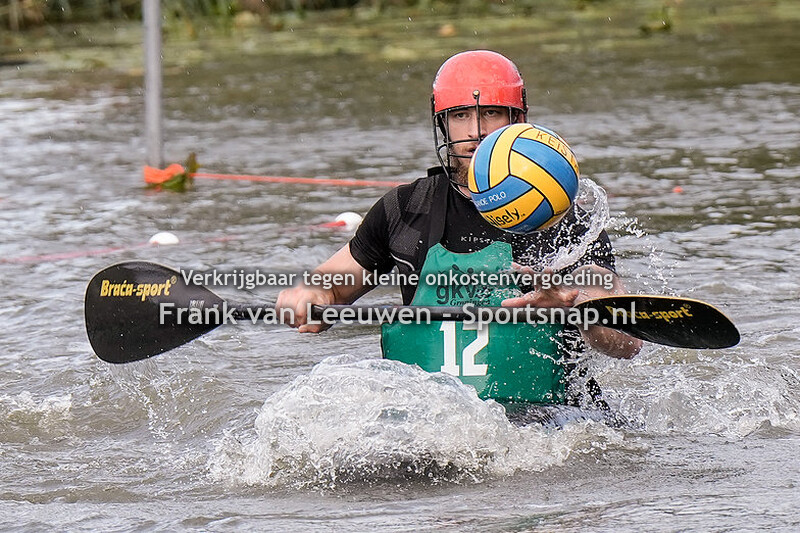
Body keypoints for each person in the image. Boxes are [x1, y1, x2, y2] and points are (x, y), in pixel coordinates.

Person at [276, 50, 642, 421]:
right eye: (460, 115)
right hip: (435, 426)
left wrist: (578, 308)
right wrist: (309, 296)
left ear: (517, 121)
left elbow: (626, 341)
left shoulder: (563, 218)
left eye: (491, 113)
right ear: (443, 124)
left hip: (552, 424)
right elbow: (329, 288)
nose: (475, 131)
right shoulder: (405, 209)